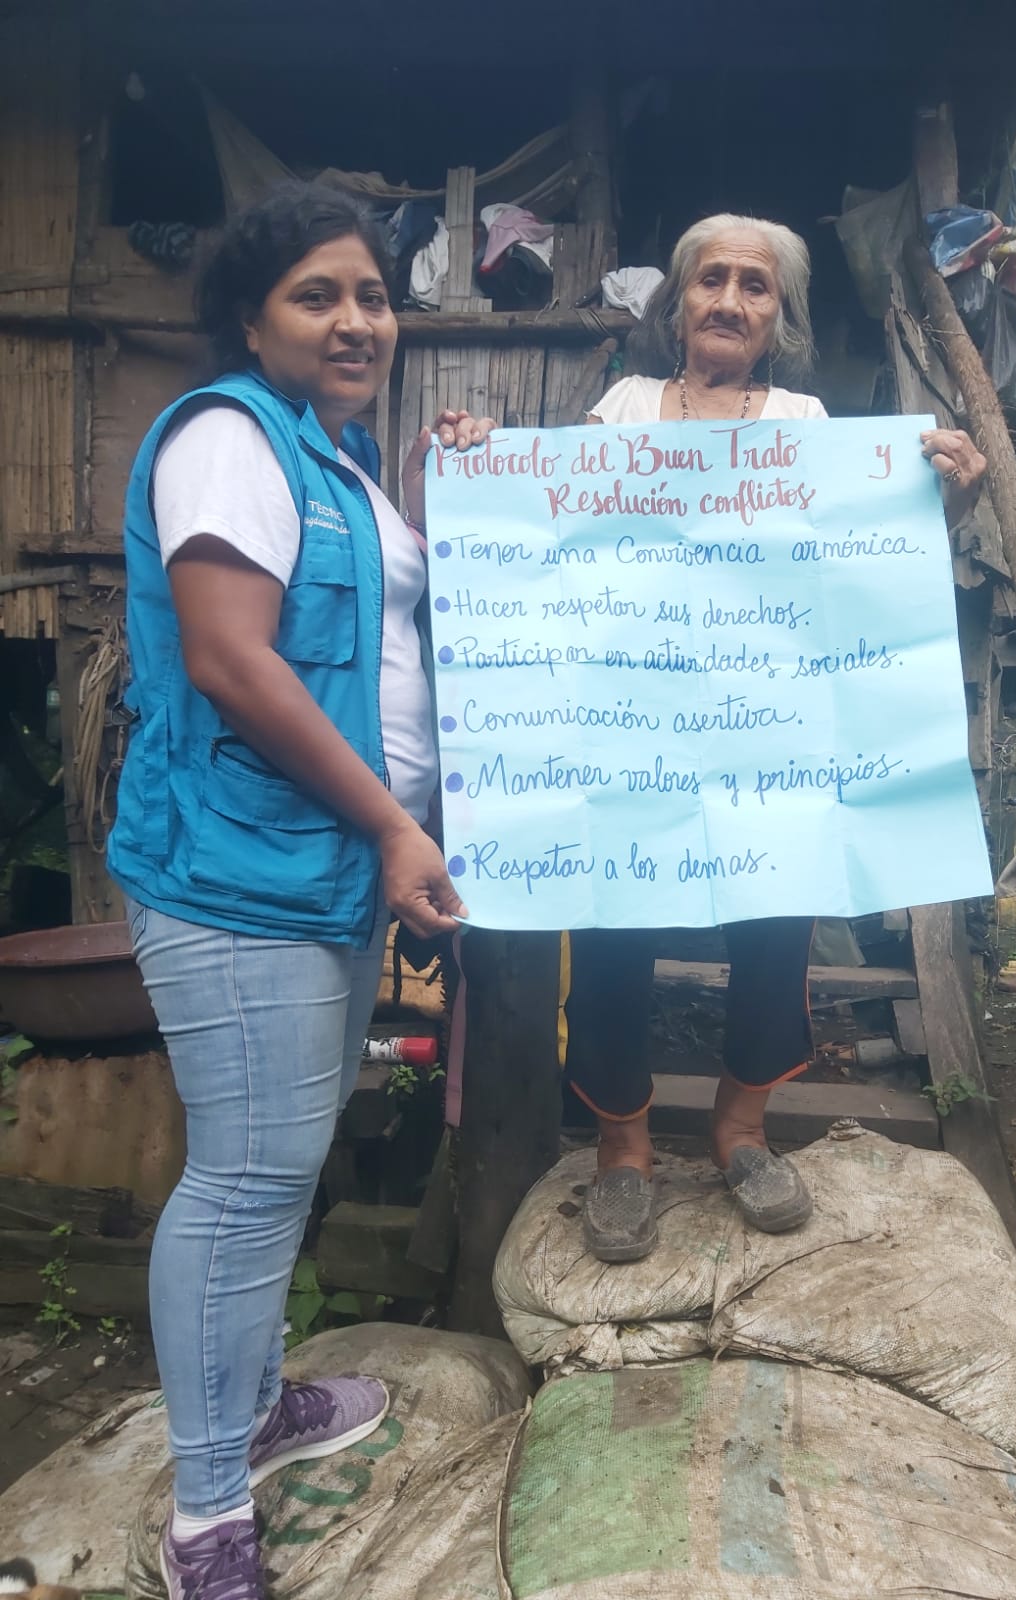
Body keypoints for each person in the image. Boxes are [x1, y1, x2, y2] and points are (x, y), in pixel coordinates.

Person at [106, 181, 495, 1600]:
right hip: (240, 875)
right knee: (244, 1177)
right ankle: (209, 1513)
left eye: (374, 297)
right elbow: (231, 659)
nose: (355, 321)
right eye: (317, 295)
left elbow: (372, 637)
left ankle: (256, 1405)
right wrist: (395, 826)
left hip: (312, 873)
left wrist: (441, 494)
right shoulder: (227, 438)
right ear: (251, 318)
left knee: (278, 1162)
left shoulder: (337, 462)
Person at [566, 212, 986, 1263]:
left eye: (755, 286)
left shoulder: (806, 423)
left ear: (779, 316)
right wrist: (474, 465)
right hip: (636, 728)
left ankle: (740, 1132)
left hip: (766, 735)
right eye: (711, 278)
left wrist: (941, 497)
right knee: (613, 932)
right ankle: (623, 1150)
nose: (729, 300)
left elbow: (862, 562)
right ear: (677, 301)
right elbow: (555, 542)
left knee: (772, 929)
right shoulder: (621, 411)